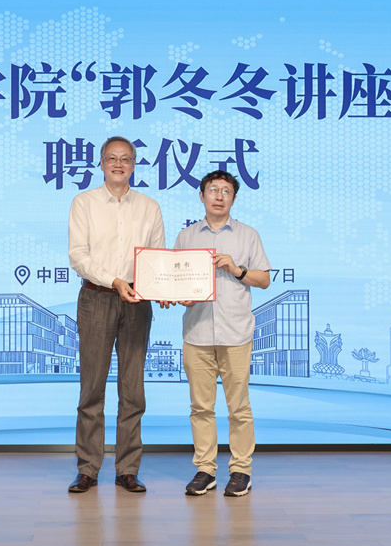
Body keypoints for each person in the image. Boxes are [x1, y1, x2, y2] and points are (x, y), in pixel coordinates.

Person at [67, 136, 165, 493]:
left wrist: (163, 289)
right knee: (91, 388)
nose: (118, 164)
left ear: (134, 164)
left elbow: (156, 258)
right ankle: (88, 469)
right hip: (97, 297)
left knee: (133, 389)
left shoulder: (149, 207)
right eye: (112, 158)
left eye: (125, 159)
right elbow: (78, 256)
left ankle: (127, 469)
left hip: (137, 302)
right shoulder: (84, 203)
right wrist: (114, 281)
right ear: (101, 163)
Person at [166, 170, 271, 497]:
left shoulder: (248, 235)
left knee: (239, 408)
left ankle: (241, 470)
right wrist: (179, 296)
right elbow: (175, 281)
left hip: (236, 333)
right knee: (201, 408)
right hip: (197, 332)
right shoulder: (187, 237)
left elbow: (264, 280)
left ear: (234, 198)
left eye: (226, 191)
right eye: (213, 190)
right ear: (202, 196)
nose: (219, 196)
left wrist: (235, 269)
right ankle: (205, 470)